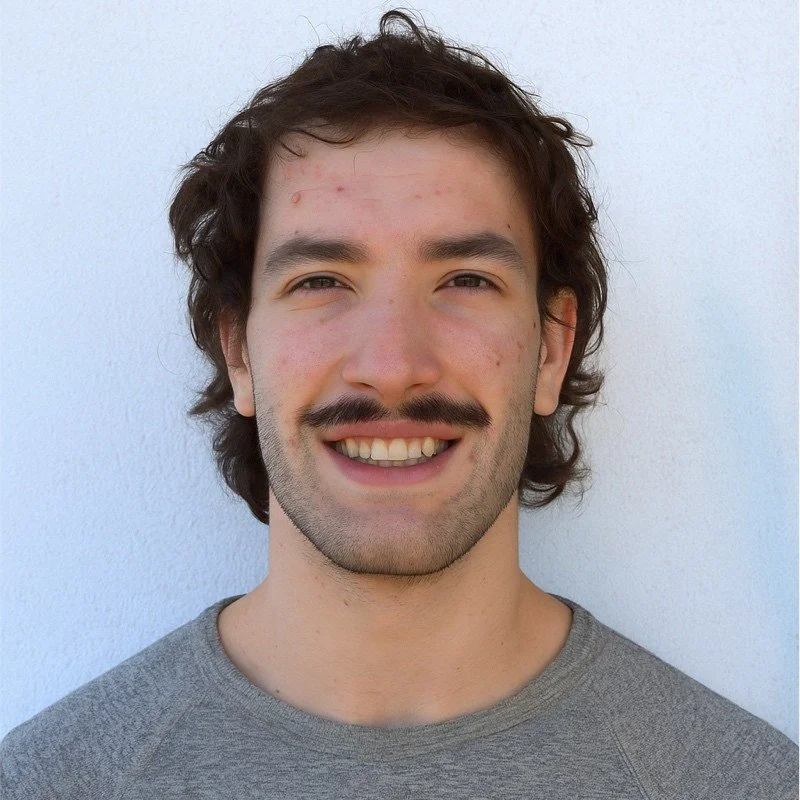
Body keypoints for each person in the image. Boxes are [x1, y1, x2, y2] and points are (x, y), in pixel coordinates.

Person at [1, 10, 796, 798]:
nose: (391, 367)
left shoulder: (741, 783)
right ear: (239, 352)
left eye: (465, 281)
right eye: (320, 281)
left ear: (551, 348)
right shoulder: (53, 782)